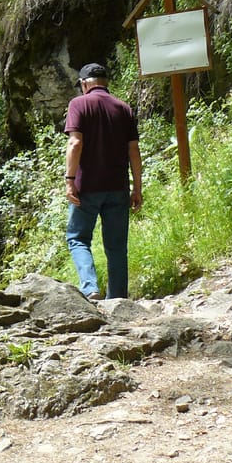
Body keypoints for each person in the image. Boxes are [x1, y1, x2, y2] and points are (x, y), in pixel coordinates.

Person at [64, 63, 143, 299]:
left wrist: (69, 179)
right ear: (105, 82)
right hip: (118, 187)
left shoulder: (78, 104)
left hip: (85, 187)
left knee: (78, 238)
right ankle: (118, 299)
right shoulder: (123, 108)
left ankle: (90, 289)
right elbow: (134, 151)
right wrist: (137, 188)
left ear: (84, 83)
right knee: (117, 247)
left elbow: (75, 143)